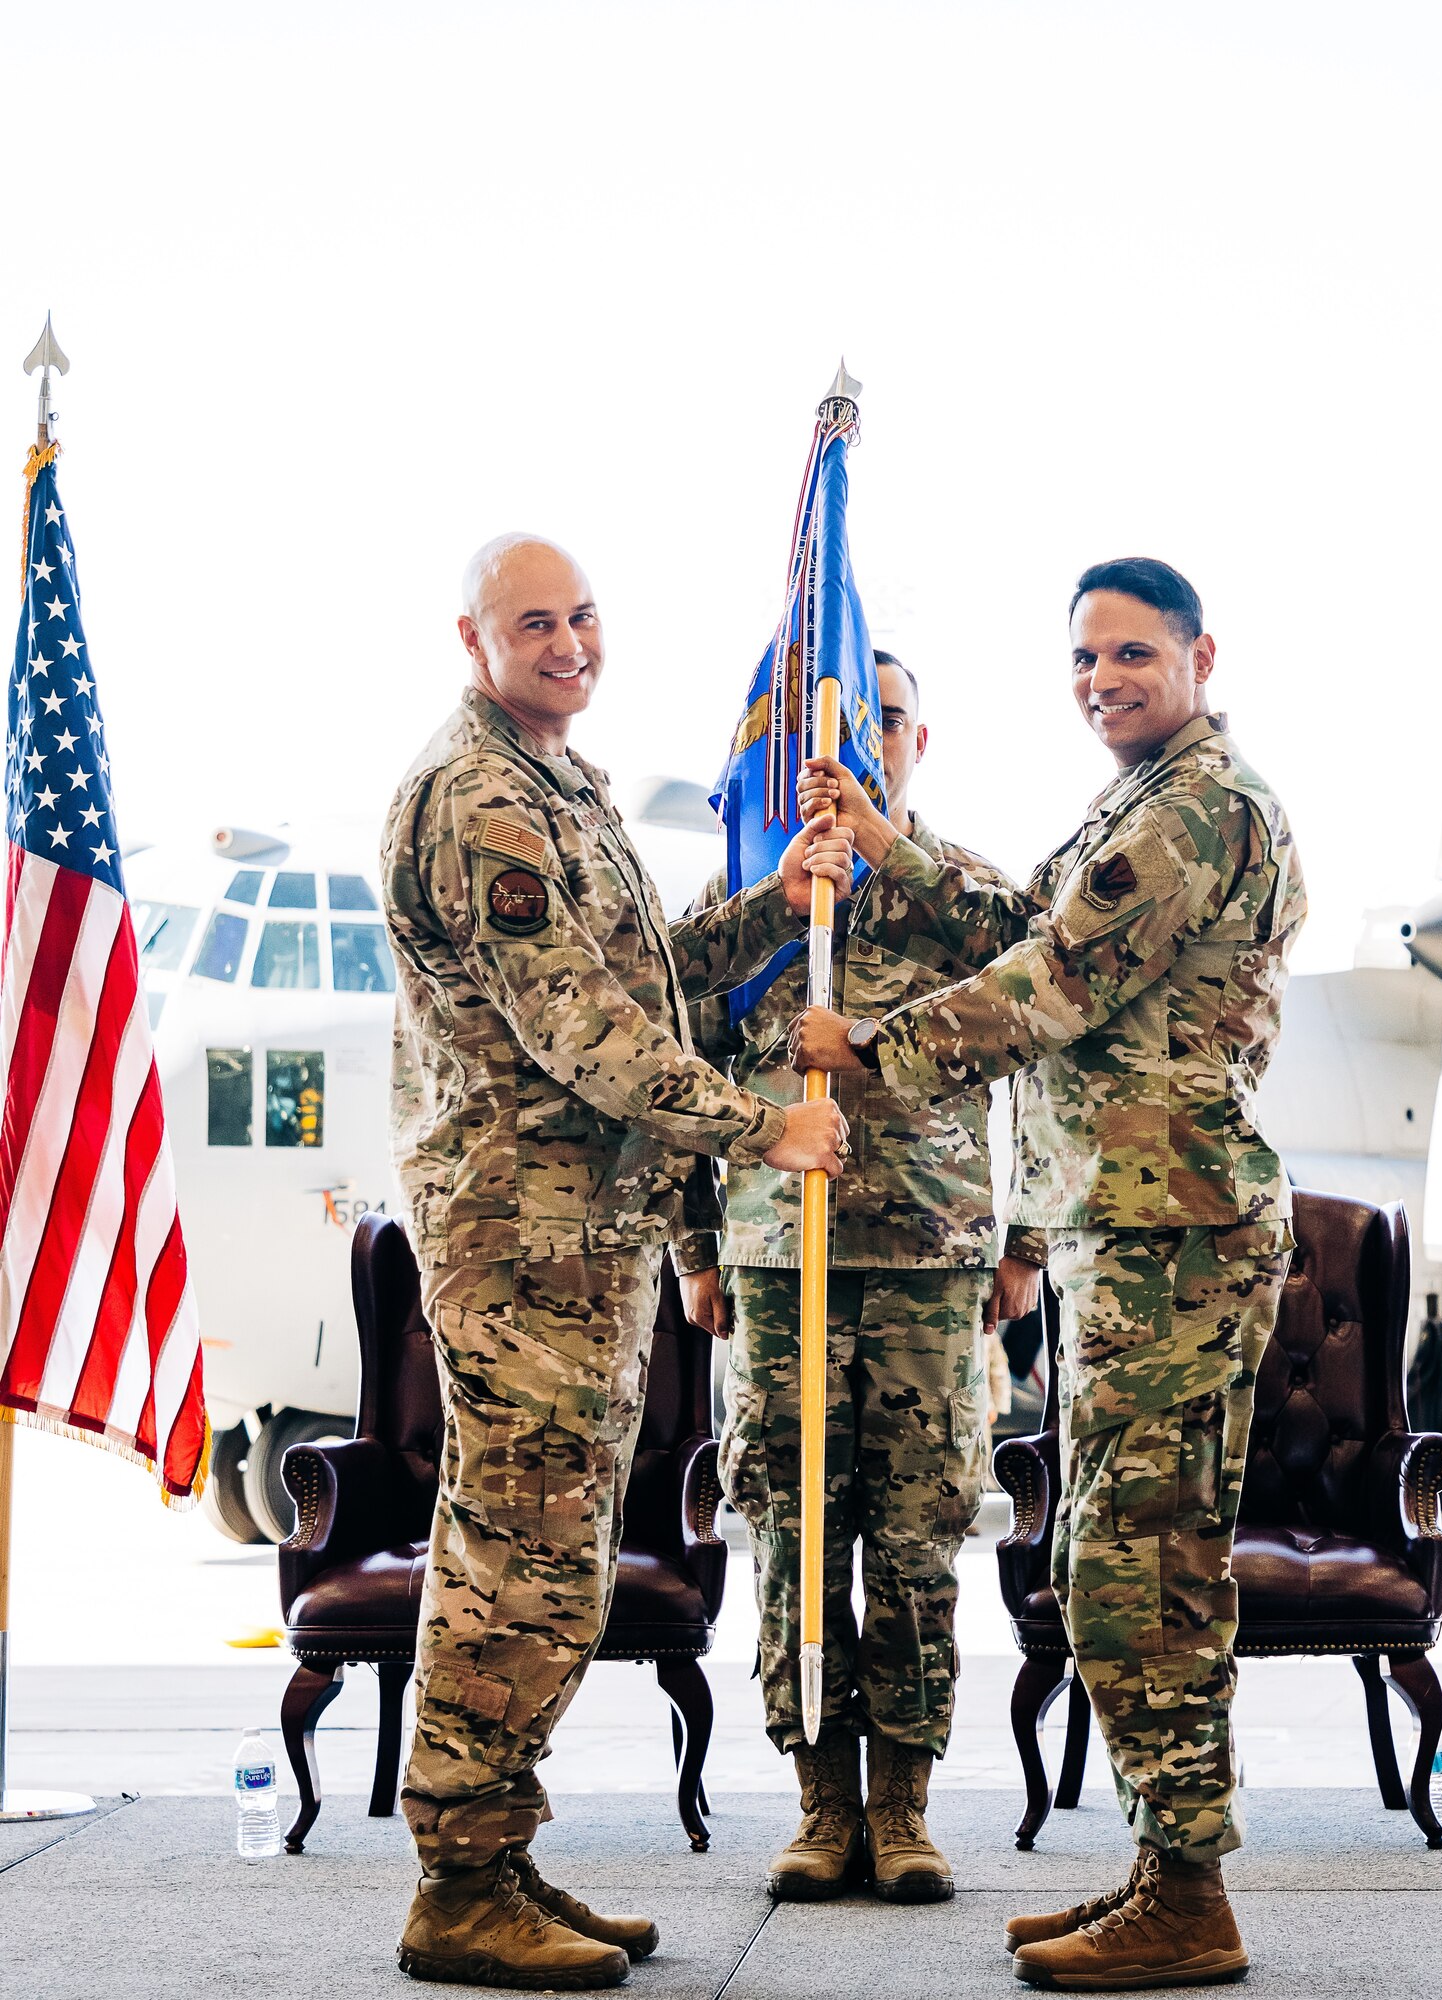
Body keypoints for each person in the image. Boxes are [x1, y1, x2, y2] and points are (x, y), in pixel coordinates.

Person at [790, 559, 1306, 1991]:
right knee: (1116, 1551)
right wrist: (894, 855)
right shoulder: (1141, 801)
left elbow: (1051, 981)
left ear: (1202, 653)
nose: (1103, 681)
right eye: (1084, 660)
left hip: (1174, 1241)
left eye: (1132, 654)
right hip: (1130, 1236)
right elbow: (1028, 916)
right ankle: (1160, 1871)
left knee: (1145, 1564)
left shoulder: (1201, 806)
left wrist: (874, 1048)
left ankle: (1189, 1896)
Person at [382, 533, 853, 1990]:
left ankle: (499, 1853)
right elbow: (578, 1030)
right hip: (524, 1238)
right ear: (474, 638)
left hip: (581, 1239)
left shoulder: (556, 784)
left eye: (584, 615)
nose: (570, 642)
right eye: (537, 622)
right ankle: (459, 1879)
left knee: (551, 1558)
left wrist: (776, 911)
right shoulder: (479, 803)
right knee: (517, 1555)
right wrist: (764, 1127)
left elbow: (642, 975)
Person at [680, 651, 1046, 1905]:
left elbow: (1053, 1011)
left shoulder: (962, 895)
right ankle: (820, 1799)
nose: (843, 741)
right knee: (793, 1533)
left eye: (873, 718)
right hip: (781, 1260)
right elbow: (681, 1066)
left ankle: (904, 1804)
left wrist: (1028, 1242)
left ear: (916, 737)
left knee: (918, 1536)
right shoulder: (752, 889)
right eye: (817, 718)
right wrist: (696, 1246)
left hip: (932, 1267)